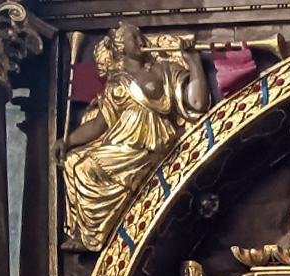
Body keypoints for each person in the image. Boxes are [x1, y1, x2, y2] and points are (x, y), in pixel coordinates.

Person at [58, 24, 211, 250]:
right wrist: (67, 141)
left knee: (86, 168)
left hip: (151, 143)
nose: (141, 42)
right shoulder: (116, 83)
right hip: (122, 142)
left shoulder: (163, 71)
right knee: (72, 164)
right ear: (121, 47)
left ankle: (99, 235)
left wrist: (194, 62)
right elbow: (100, 124)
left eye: (141, 37)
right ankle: (94, 235)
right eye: (134, 38)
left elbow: (198, 103)